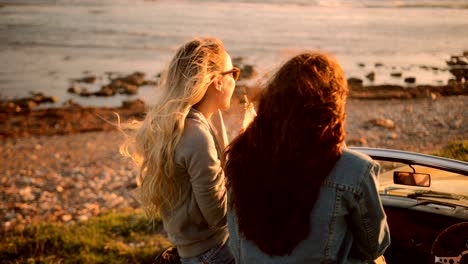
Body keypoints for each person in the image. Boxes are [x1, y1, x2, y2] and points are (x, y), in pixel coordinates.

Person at [223, 51, 390, 263]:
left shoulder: (240, 159)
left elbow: (237, 248)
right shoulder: (354, 170)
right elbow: (374, 247)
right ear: (332, 108)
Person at [121, 37, 238, 264]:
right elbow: (219, 216)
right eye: (232, 73)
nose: (235, 80)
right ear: (217, 81)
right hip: (213, 253)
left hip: (194, 250)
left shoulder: (180, 123)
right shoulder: (197, 137)